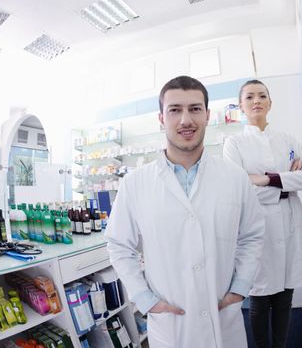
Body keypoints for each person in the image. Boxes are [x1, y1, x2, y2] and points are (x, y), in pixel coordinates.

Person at [106, 75, 265, 348]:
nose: (185, 120)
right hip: (171, 327)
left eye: (194, 109)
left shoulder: (234, 177)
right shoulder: (135, 184)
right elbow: (119, 245)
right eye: (175, 110)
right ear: (161, 118)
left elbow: (252, 235)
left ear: (206, 115)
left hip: (223, 321)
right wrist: (145, 299)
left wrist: (240, 287)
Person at [223, 79, 302, 348]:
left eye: (262, 96)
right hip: (257, 230)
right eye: (250, 97)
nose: (257, 101)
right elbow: (238, 191)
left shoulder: (287, 140)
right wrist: (287, 182)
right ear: (241, 106)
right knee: (259, 297)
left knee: (285, 295)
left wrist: (266, 180)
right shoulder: (234, 143)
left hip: (289, 225)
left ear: (270, 103)